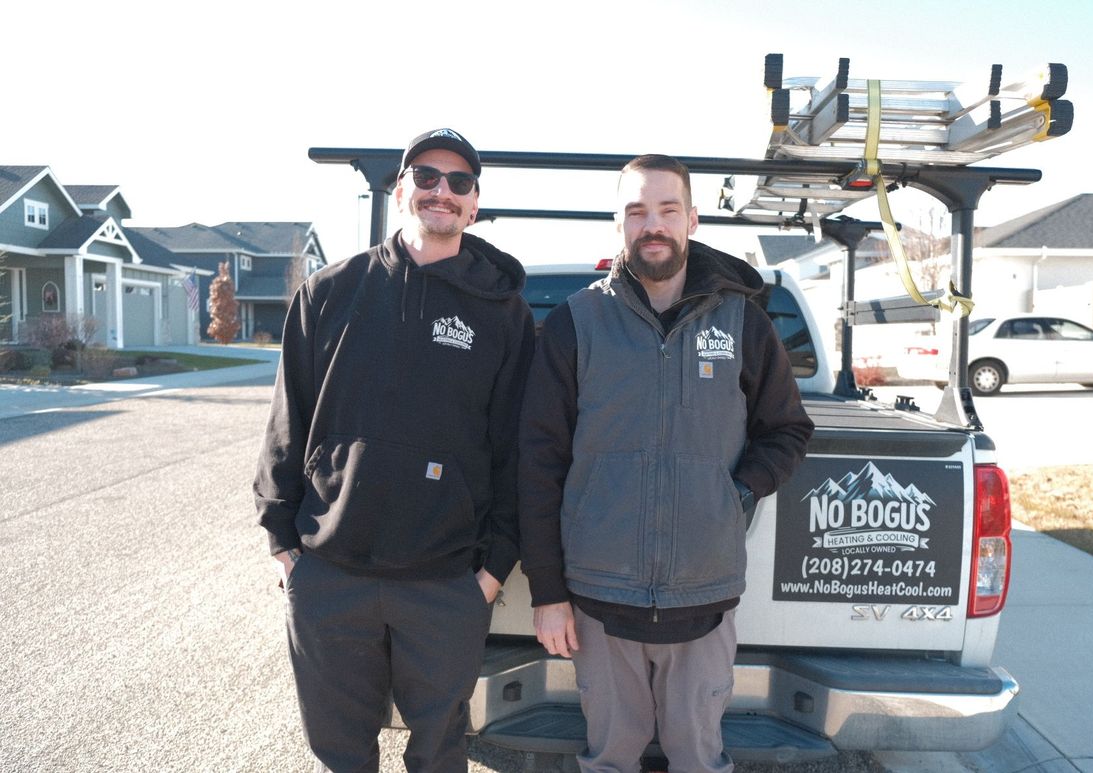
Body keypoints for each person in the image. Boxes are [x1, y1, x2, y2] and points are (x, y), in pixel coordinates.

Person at [518, 154, 814, 772]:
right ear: (619, 224)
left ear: (692, 219)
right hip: (599, 600)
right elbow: (539, 461)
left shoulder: (743, 321)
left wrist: (734, 493)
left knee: (699, 761)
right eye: (636, 212)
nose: (652, 225)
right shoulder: (577, 322)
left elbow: (786, 429)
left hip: (702, 598)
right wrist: (547, 590)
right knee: (608, 760)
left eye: (666, 210)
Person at [254, 127, 535, 772]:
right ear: (401, 186)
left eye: (458, 182)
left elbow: (518, 448)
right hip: (331, 572)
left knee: (439, 753)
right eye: (427, 177)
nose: (442, 191)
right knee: (341, 753)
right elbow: (285, 423)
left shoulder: (502, 312)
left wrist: (491, 572)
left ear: (473, 202)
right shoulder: (330, 292)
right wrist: (284, 544)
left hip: (445, 582)